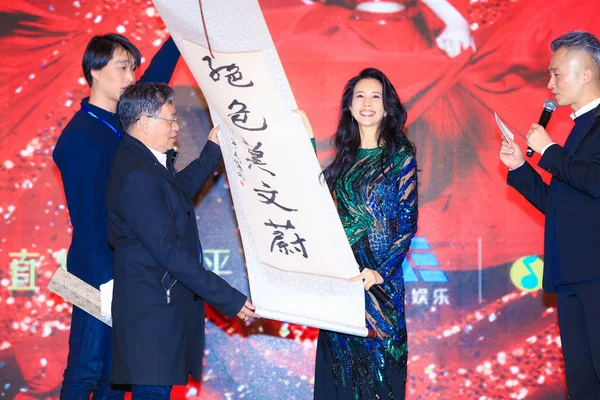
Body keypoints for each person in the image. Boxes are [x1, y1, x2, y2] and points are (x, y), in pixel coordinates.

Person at [105, 82, 258, 398]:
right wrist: (228, 298)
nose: (176, 127)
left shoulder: (143, 163)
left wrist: (212, 150)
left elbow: (176, 192)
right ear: (145, 122)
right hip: (152, 319)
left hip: (158, 315)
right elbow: (170, 252)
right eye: (170, 119)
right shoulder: (137, 175)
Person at [52, 34, 180, 399]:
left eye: (133, 68)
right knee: (85, 368)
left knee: (114, 374)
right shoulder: (79, 134)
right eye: (122, 67)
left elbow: (157, 78)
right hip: (93, 270)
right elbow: (87, 219)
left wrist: (178, 35)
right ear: (94, 71)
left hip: (123, 269)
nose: (130, 77)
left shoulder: (123, 125)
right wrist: (105, 279)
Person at [298, 67, 418, 399]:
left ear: (387, 106)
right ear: (350, 106)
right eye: (359, 96)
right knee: (338, 384)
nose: (367, 102)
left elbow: (407, 224)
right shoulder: (342, 163)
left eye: (375, 96)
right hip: (342, 290)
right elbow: (316, 206)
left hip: (380, 292)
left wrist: (380, 272)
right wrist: (306, 141)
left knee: (378, 385)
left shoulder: (400, 156)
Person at [499, 31, 600, 399]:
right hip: (572, 276)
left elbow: (595, 181)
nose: (550, 83)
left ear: (587, 74)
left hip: (596, 275)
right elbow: (564, 204)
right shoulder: (578, 129)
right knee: (584, 384)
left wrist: (550, 150)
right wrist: (521, 169)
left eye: (557, 74)